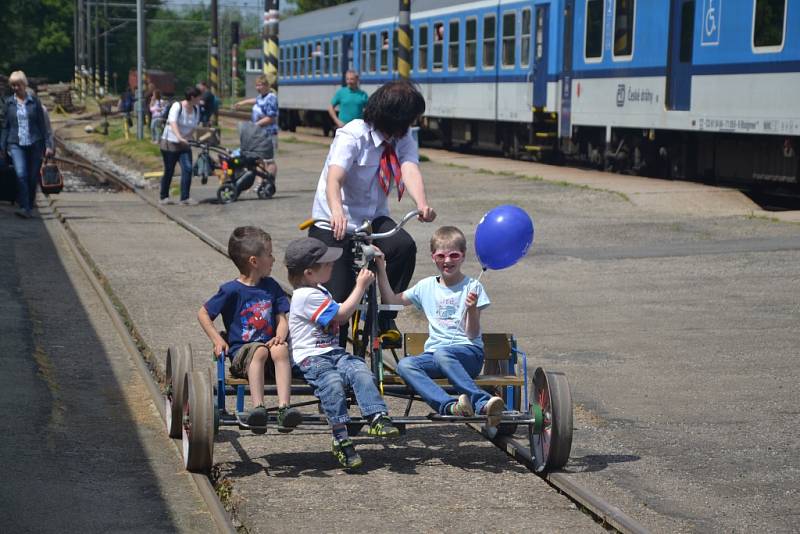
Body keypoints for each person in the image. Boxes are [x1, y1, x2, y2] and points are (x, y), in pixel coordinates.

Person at [310, 79, 436, 343]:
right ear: (396, 117)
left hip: (371, 218)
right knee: (340, 292)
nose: (413, 124)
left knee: (403, 247)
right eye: (411, 118)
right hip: (335, 219)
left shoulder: (402, 138)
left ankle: (386, 317)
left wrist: (421, 203)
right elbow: (335, 178)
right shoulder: (353, 134)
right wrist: (336, 212)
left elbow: (409, 167)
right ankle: (334, 348)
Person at [285, 237, 400, 469]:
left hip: (332, 353)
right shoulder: (304, 296)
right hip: (310, 357)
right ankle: (340, 437)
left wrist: (373, 266)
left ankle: (377, 416)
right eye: (326, 264)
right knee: (332, 383)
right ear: (308, 272)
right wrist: (360, 286)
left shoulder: (318, 289)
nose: (332, 265)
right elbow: (341, 315)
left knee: (359, 369)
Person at [374, 226, 506, 428]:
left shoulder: (473, 287)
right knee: (405, 365)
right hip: (436, 356)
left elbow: (471, 334)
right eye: (441, 255)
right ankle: (450, 406)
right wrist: (381, 269)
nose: (447, 261)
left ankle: (481, 403)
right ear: (433, 257)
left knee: (443, 354)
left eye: (454, 255)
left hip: (468, 354)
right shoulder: (426, 286)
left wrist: (471, 310)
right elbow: (392, 299)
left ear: (463, 256)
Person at [197, 226, 302, 433]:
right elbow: (203, 314)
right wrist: (218, 340)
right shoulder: (231, 290)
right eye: (269, 255)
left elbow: (282, 318)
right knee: (260, 350)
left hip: (269, 354)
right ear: (254, 261)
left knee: (280, 348)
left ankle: (283, 408)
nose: (273, 259)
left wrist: (280, 336)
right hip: (242, 356)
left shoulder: (271, 286)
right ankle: (258, 409)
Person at [0, 71, 54, 219]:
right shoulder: (9, 103)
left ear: (24, 84)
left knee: (32, 177)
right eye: (13, 85)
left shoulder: (35, 103)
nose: (15, 87)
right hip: (16, 144)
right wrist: (2, 147)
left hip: (35, 143)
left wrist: (49, 145)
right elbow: (5, 126)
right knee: (21, 174)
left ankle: (29, 203)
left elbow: (43, 126)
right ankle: (25, 207)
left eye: (18, 84)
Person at [159, 86, 202, 205]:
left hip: (184, 144)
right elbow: (173, 123)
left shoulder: (196, 109)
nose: (200, 100)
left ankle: (185, 198)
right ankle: (164, 196)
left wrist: (187, 137)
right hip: (170, 142)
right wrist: (179, 137)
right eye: (199, 97)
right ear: (192, 97)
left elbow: (194, 125)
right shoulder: (177, 106)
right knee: (169, 170)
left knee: (188, 168)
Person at [234, 75, 278, 179]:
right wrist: (241, 103)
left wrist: (254, 126)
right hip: (259, 134)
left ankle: (269, 182)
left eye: (260, 85)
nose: (257, 88)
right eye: (256, 85)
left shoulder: (271, 98)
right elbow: (255, 100)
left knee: (268, 160)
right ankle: (260, 184)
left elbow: (271, 118)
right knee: (259, 160)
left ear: (267, 85)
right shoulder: (261, 97)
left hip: (268, 133)